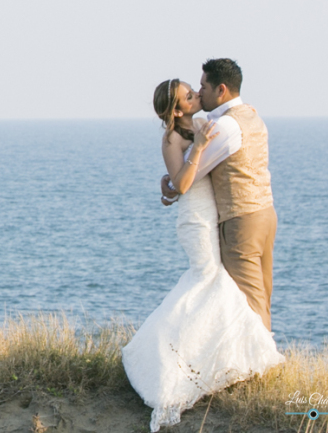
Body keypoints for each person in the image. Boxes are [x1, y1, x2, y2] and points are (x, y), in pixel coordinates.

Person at [121, 73, 284, 432]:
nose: (196, 95)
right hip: (197, 219)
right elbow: (181, 181)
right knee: (209, 281)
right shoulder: (173, 138)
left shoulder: (204, 124)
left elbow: (185, 178)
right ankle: (170, 357)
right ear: (175, 111)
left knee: (220, 287)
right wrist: (187, 162)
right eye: (189, 95)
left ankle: (225, 359)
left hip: (215, 212)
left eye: (196, 91)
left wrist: (178, 174)